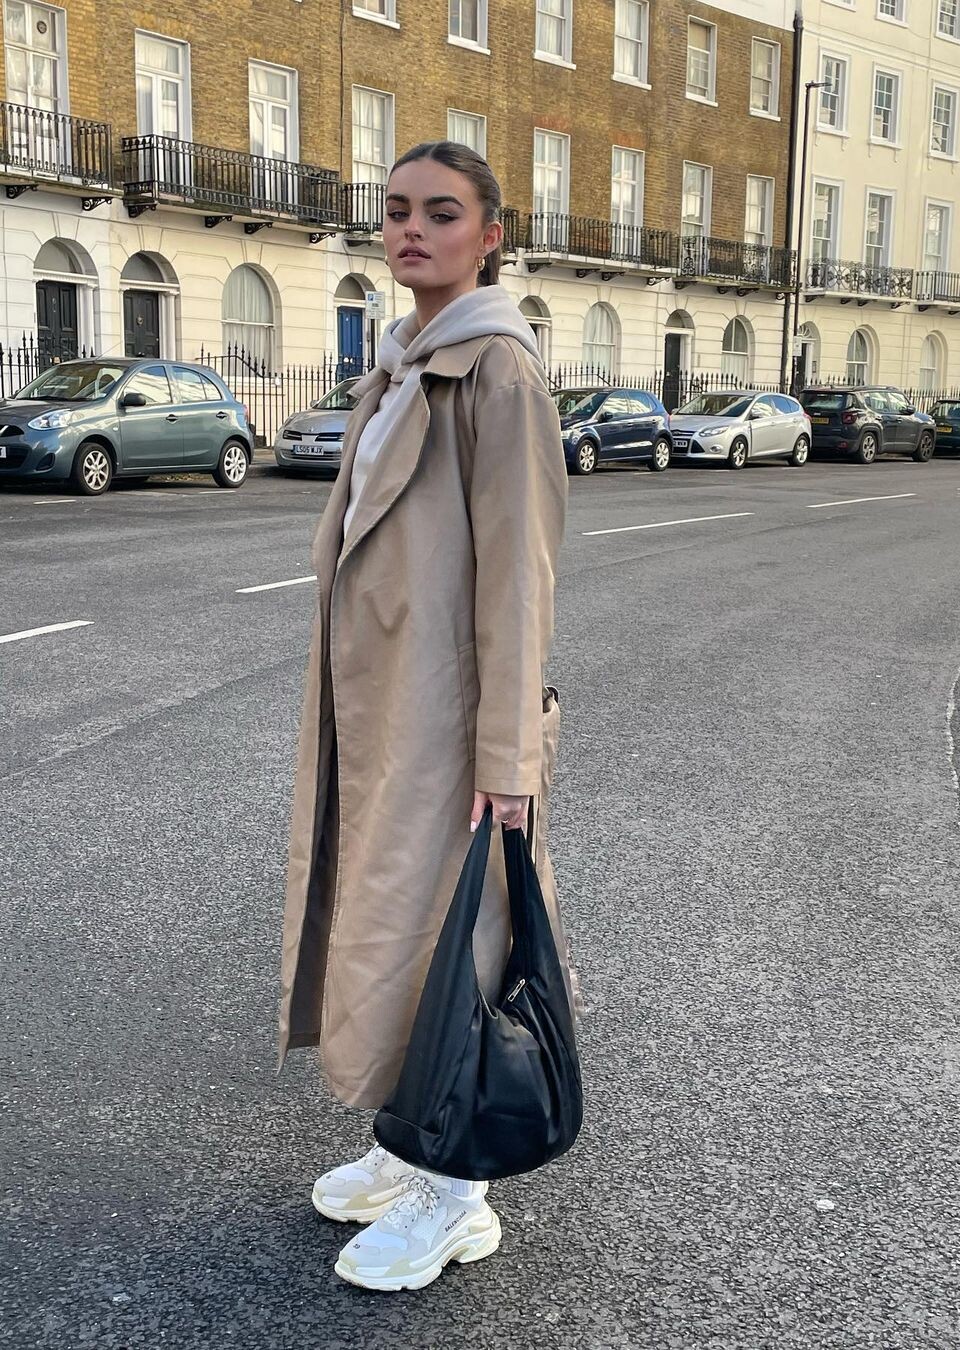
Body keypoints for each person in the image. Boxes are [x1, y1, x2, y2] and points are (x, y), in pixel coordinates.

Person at [277, 141, 576, 1293]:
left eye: (442, 213)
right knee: (394, 932)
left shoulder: (497, 374)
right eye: (398, 209)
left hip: (453, 721)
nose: (412, 229)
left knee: (463, 936)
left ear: (491, 235)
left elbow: (519, 579)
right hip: (385, 708)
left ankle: (458, 1192)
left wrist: (507, 757)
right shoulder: (403, 363)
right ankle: (409, 1144)